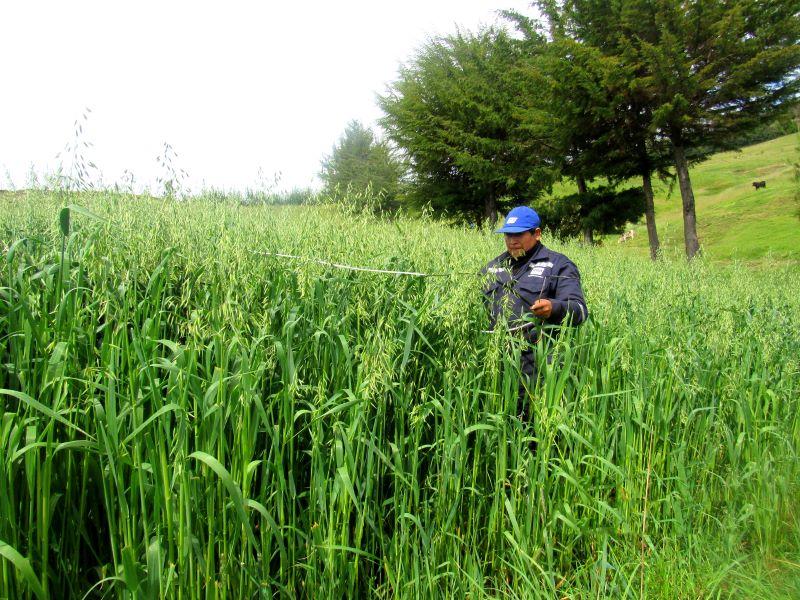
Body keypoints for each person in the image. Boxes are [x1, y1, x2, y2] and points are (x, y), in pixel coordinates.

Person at [482, 206, 588, 416]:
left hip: (537, 366)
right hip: (496, 364)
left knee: (531, 428)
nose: (512, 240)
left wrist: (554, 308)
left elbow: (580, 311)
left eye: (519, 234)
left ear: (537, 234)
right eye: (508, 235)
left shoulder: (558, 265)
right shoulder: (493, 267)